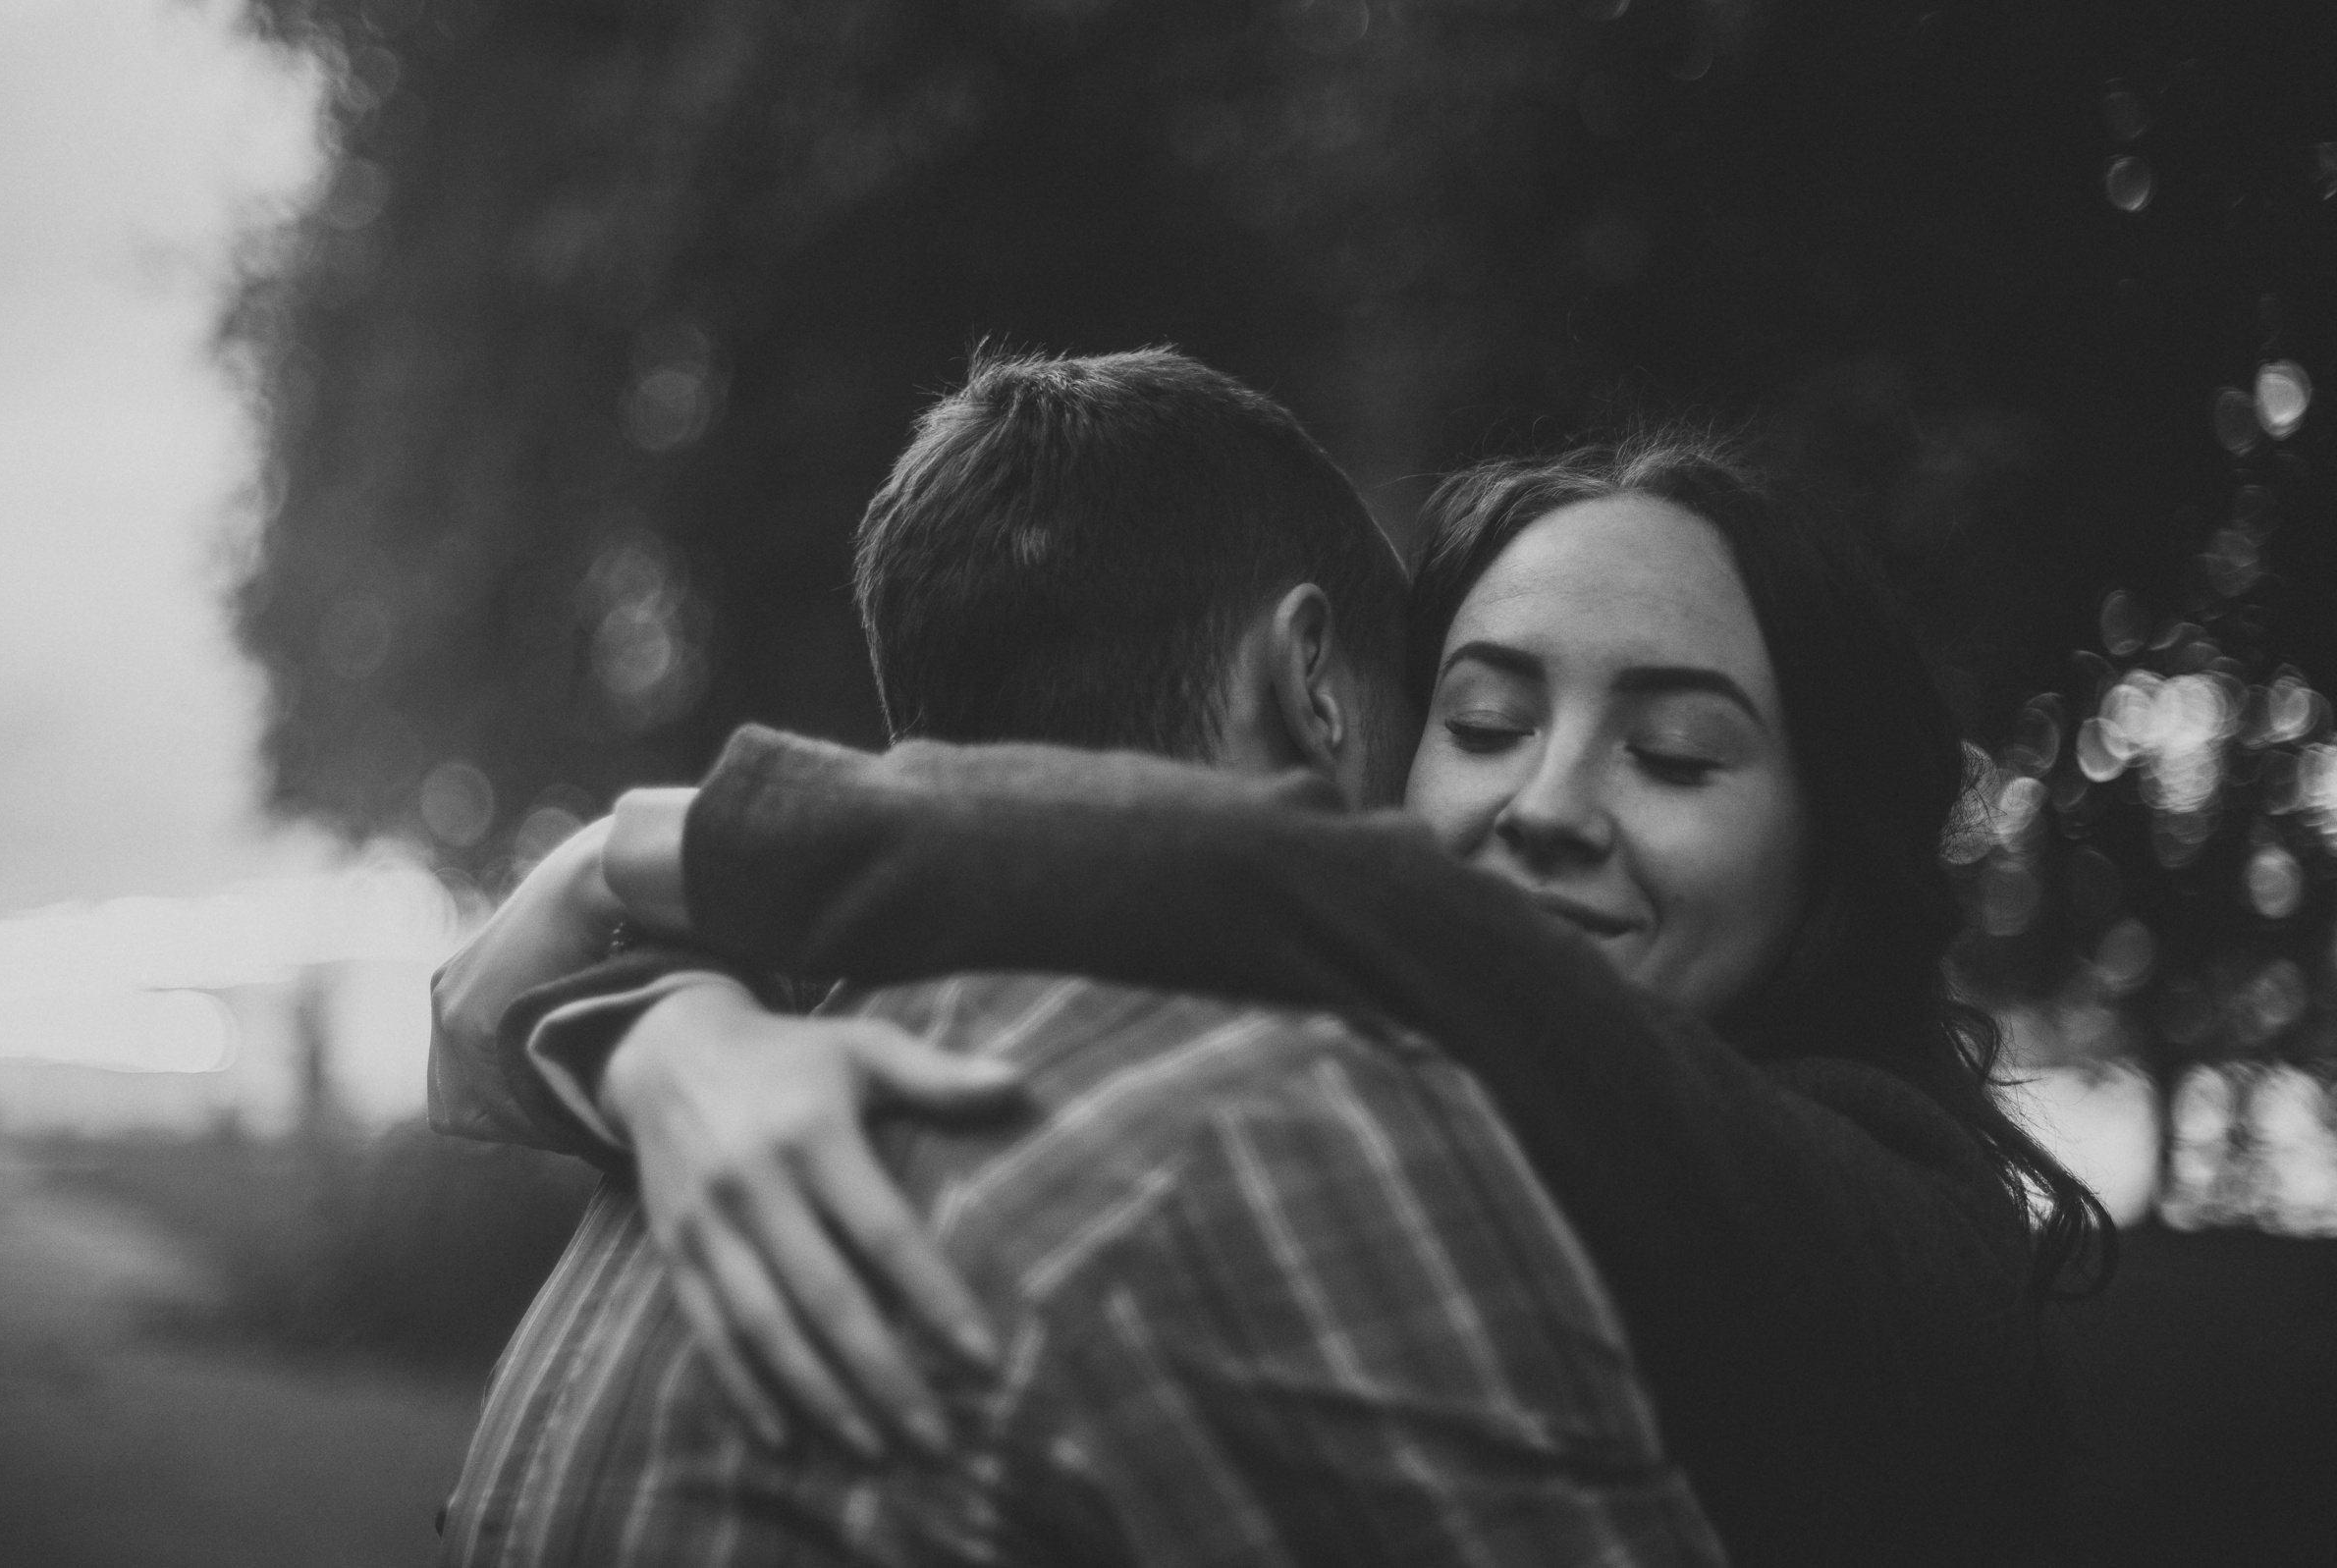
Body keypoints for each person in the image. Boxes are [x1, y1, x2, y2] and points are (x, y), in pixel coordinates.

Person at [440, 416, 2112, 1566]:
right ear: (1371, 731)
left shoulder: (1909, 1224)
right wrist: (664, 1035)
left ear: (1830, 847)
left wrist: (690, 845)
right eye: (1481, 719)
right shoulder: (1361, 1119)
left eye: (1675, 752)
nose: (1547, 801)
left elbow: (1382, 918)